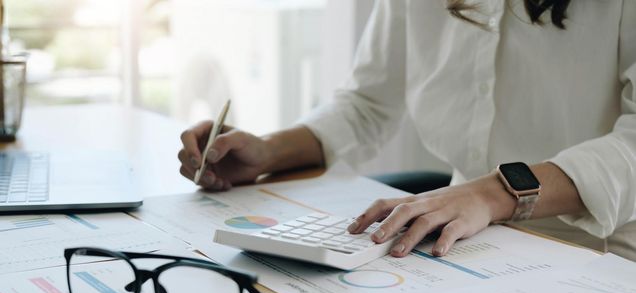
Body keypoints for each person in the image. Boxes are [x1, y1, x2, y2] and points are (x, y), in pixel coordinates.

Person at [178, 1, 636, 261]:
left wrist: (493, 193)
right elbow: (368, 101)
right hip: (458, 238)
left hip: (604, 249)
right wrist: (270, 152)